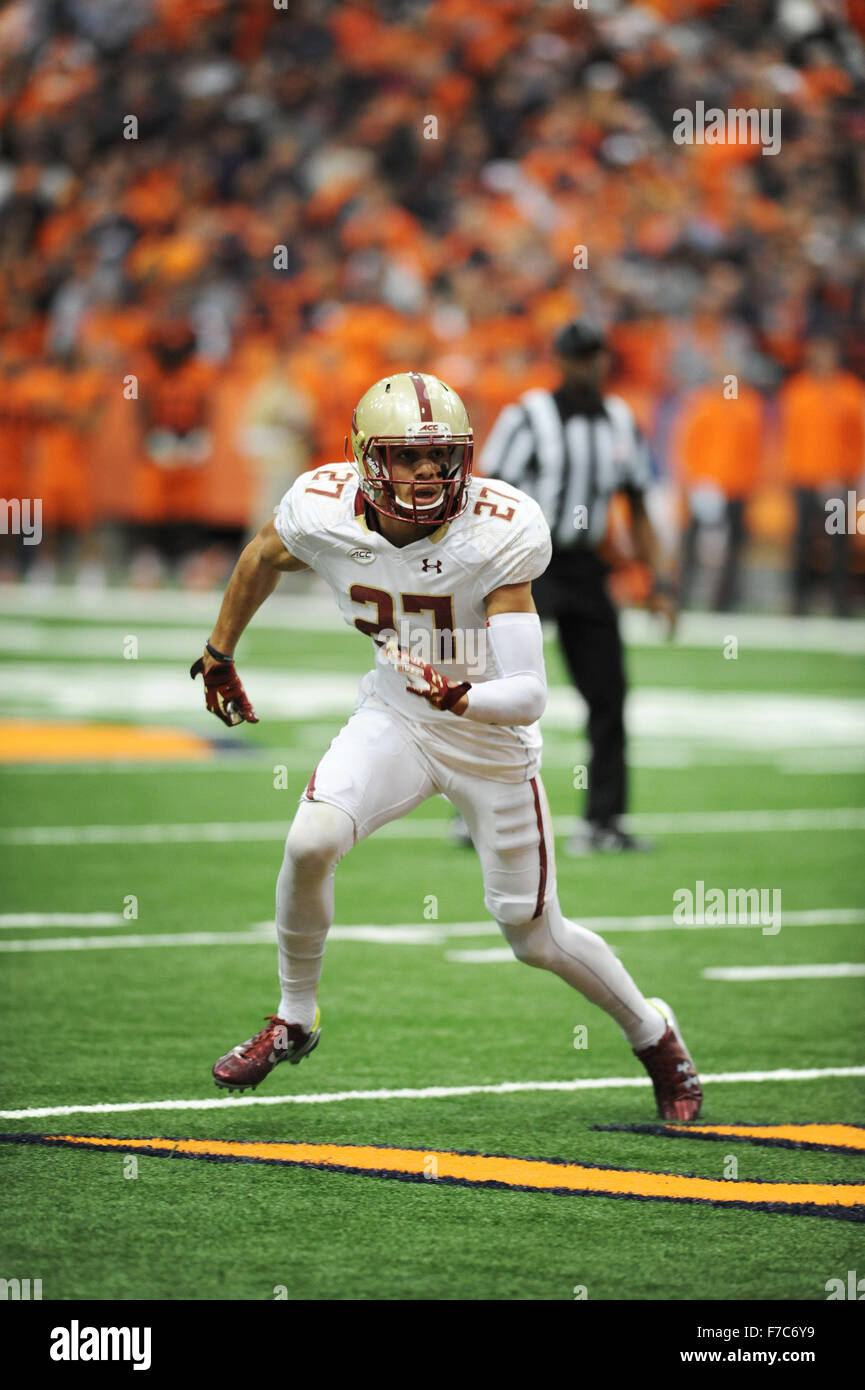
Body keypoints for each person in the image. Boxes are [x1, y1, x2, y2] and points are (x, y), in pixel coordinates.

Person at [192, 371, 702, 1122]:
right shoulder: (321, 509)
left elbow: (529, 693)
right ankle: (293, 1018)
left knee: (533, 936)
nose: (429, 474)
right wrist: (220, 652)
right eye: (408, 457)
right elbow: (263, 556)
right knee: (310, 840)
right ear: (368, 459)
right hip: (397, 715)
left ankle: (654, 1035)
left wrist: (460, 695)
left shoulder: (497, 529)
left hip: (490, 737)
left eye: (441, 458)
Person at [478, 321, 676, 854]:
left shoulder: (618, 420)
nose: (589, 367)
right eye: (580, 357)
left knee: (608, 693)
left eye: (596, 356)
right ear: (561, 360)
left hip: (588, 568)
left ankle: (603, 821)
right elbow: (489, 494)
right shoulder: (528, 415)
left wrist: (655, 581)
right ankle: (477, 811)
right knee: (499, 685)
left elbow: (635, 504)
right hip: (528, 566)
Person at [779, 336, 865, 618]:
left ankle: (839, 601)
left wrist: (848, 476)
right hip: (804, 480)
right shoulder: (797, 391)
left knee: (839, 540)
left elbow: (858, 439)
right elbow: (790, 438)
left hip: (838, 483)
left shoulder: (851, 391)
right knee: (801, 540)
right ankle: (798, 602)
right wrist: (792, 474)